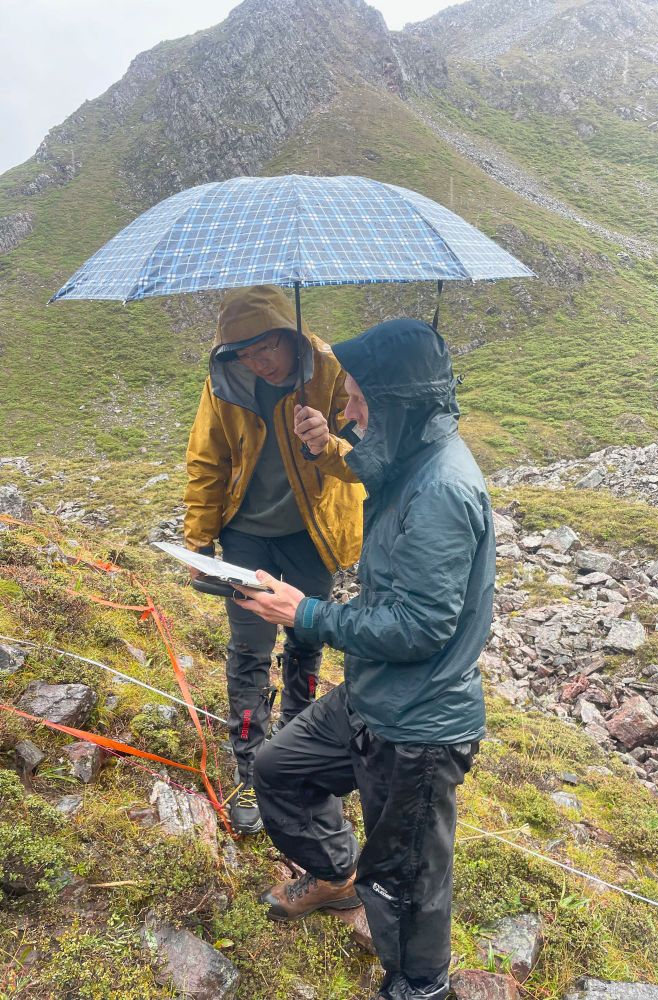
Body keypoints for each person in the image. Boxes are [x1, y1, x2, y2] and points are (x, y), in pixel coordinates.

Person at [234, 318, 496, 1000]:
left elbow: (419, 627)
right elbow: (380, 464)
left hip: (418, 728)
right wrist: (331, 441)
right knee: (277, 768)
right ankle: (333, 874)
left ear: (398, 403)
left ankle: (417, 987)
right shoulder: (411, 458)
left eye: (355, 399)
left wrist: (306, 614)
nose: (347, 407)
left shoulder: (441, 491)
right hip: (372, 694)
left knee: (407, 882)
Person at [183, 285, 365, 835]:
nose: (259, 362)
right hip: (246, 535)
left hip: (312, 534)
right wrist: (199, 543)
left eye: (267, 348)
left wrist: (325, 442)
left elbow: (367, 460)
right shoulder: (224, 384)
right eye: (243, 352)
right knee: (249, 647)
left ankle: (296, 749)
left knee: (306, 638)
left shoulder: (332, 370)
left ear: (290, 334)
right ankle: (248, 765)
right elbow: (206, 460)